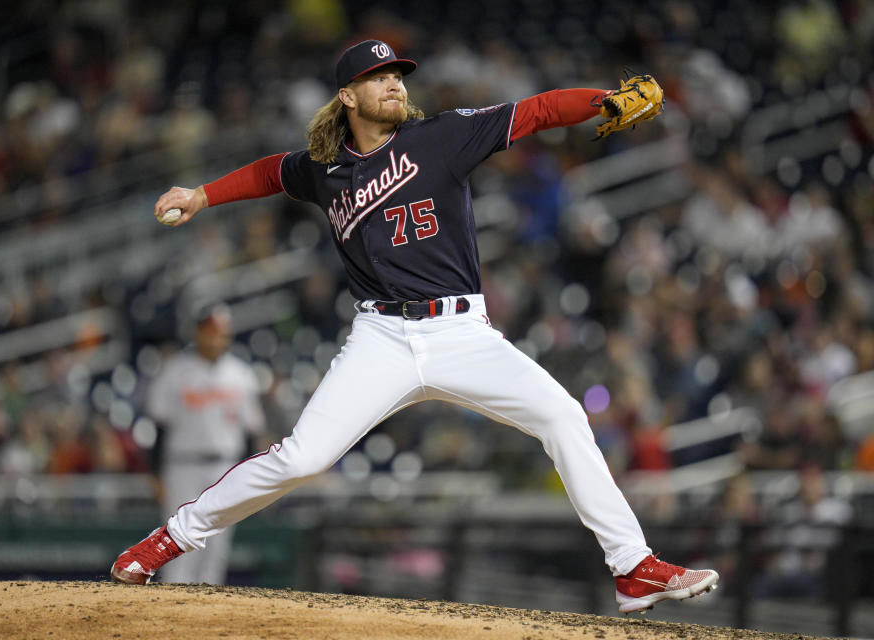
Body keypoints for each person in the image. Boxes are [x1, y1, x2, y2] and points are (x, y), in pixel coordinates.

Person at [111, 39, 719, 613]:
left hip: (463, 333)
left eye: (397, 75)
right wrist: (202, 195)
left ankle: (632, 567)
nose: (394, 84)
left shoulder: (442, 137)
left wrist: (601, 102)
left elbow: (533, 112)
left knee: (563, 417)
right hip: (381, 339)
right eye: (378, 77)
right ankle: (167, 541)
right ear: (348, 96)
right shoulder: (325, 169)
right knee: (301, 459)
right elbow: (272, 172)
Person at [144, 304, 267, 584]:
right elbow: (159, 428)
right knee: (179, 543)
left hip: (226, 467)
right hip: (182, 467)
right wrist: (155, 473)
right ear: (198, 333)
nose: (216, 339)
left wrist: (247, 478)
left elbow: (250, 434)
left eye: (221, 333)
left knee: (217, 549)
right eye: (210, 332)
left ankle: (206, 623)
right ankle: (173, 616)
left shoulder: (242, 375)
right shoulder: (175, 371)